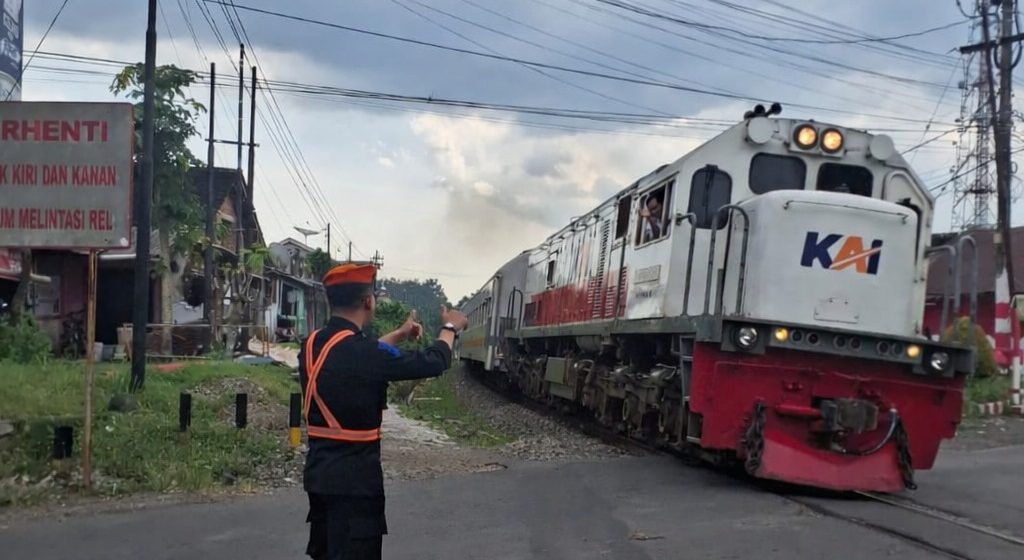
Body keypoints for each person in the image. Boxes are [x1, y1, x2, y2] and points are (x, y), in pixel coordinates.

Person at [300, 262, 468, 560]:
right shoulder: (366, 354)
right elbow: (434, 361)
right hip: (356, 487)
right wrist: (449, 328)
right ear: (368, 301)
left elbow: (355, 358)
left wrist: (399, 334)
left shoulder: (311, 345)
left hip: (320, 479)